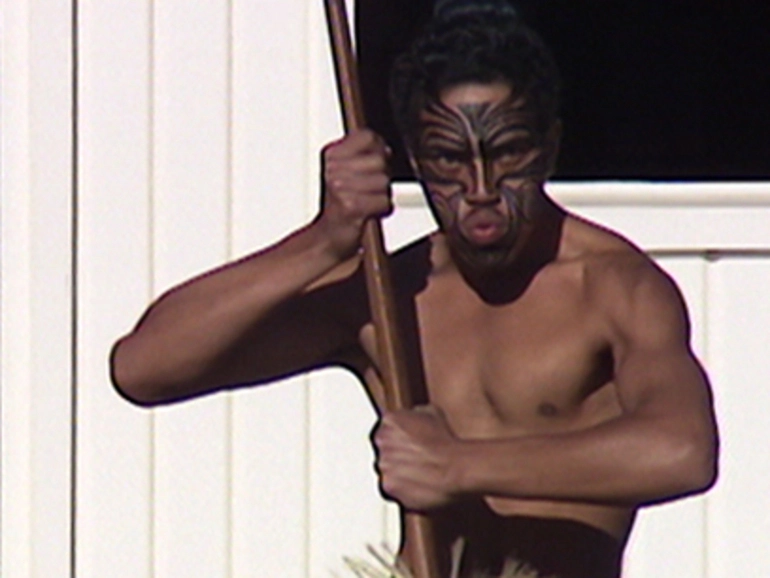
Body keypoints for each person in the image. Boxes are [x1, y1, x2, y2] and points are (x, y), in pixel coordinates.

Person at [110, 1, 719, 576]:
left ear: (549, 145)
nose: (480, 187)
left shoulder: (612, 286)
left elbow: (683, 450)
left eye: (506, 152)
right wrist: (323, 240)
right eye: (450, 159)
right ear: (415, 162)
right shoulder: (391, 294)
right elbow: (145, 367)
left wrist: (458, 465)